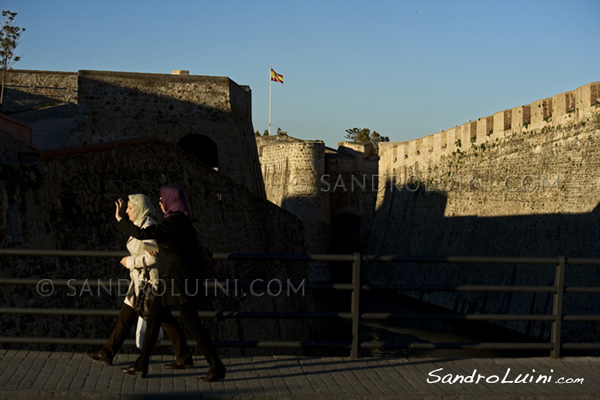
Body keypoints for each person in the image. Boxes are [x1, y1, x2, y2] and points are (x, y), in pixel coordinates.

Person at [114, 184, 225, 381]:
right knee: (154, 318)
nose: (160, 203)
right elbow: (169, 245)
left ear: (170, 201)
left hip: (178, 282)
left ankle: (216, 366)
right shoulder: (178, 221)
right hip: (171, 281)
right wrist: (157, 250)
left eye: (162, 199)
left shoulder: (176, 221)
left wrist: (121, 220)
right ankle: (143, 363)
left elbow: (146, 234)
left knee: (193, 325)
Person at [87, 194, 194, 369]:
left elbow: (153, 258)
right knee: (126, 317)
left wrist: (131, 262)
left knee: (165, 320)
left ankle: (183, 356)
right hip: (139, 283)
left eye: (129, 208)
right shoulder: (139, 226)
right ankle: (108, 352)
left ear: (138, 208)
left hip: (148, 283)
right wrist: (120, 217)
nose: (128, 211)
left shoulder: (148, 226)